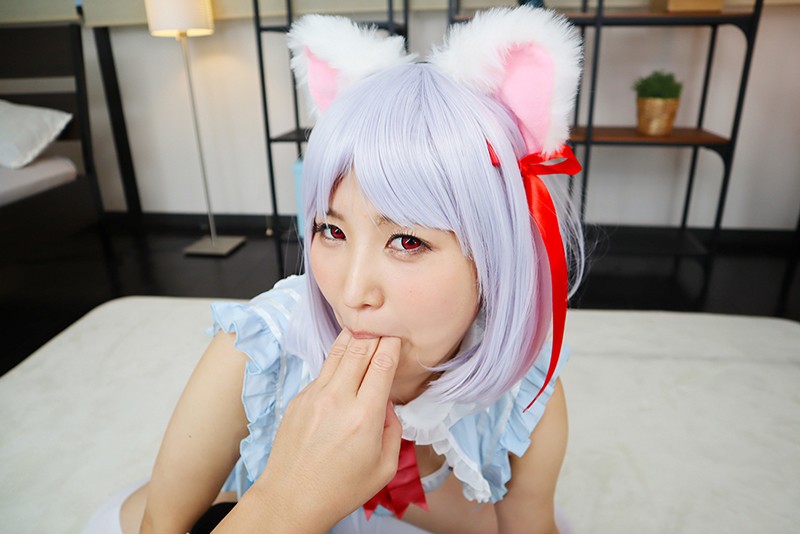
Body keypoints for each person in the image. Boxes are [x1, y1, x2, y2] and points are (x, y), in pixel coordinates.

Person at [86, 5, 585, 533]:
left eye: (407, 241)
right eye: (332, 230)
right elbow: (161, 525)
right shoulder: (255, 355)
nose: (351, 291)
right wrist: (285, 498)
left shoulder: (526, 392)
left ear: (494, 258)